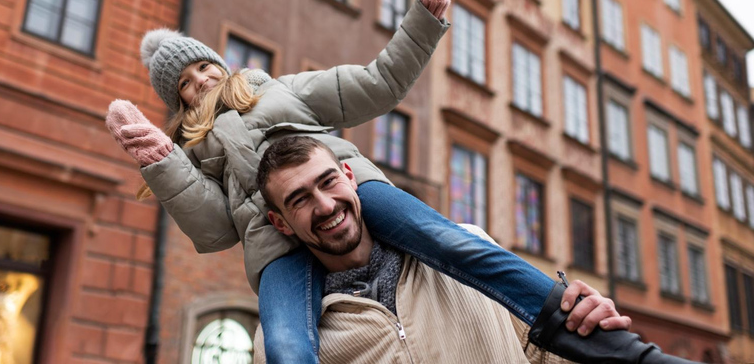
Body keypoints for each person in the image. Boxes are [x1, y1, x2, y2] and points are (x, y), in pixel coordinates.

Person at [105, 0, 692, 364]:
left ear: (221, 63)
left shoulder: (278, 91)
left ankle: (599, 338)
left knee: (457, 245)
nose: (201, 82)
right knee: (283, 345)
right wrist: (162, 162)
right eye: (185, 85)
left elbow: (377, 83)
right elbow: (212, 230)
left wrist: (427, 13)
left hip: (362, 189)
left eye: (205, 67)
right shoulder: (195, 149)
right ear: (178, 104)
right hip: (274, 249)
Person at [253, 136, 700, 364]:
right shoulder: (288, 333)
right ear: (280, 223)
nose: (325, 205)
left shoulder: (470, 250)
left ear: (350, 177)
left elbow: (543, 356)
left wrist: (583, 324)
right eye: (299, 200)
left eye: (328, 182)